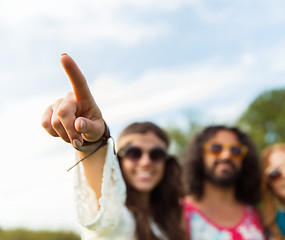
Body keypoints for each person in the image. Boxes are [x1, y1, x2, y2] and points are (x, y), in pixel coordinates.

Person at [41, 54, 187, 240]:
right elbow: (107, 209)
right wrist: (92, 140)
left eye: (156, 154)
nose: (145, 162)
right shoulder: (117, 217)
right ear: (118, 160)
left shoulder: (171, 219)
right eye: (134, 153)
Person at [182, 125, 265, 240]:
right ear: (199, 155)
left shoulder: (259, 215)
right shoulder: (179, 214)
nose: (226, 155)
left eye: (236, 150)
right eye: (216, 148)